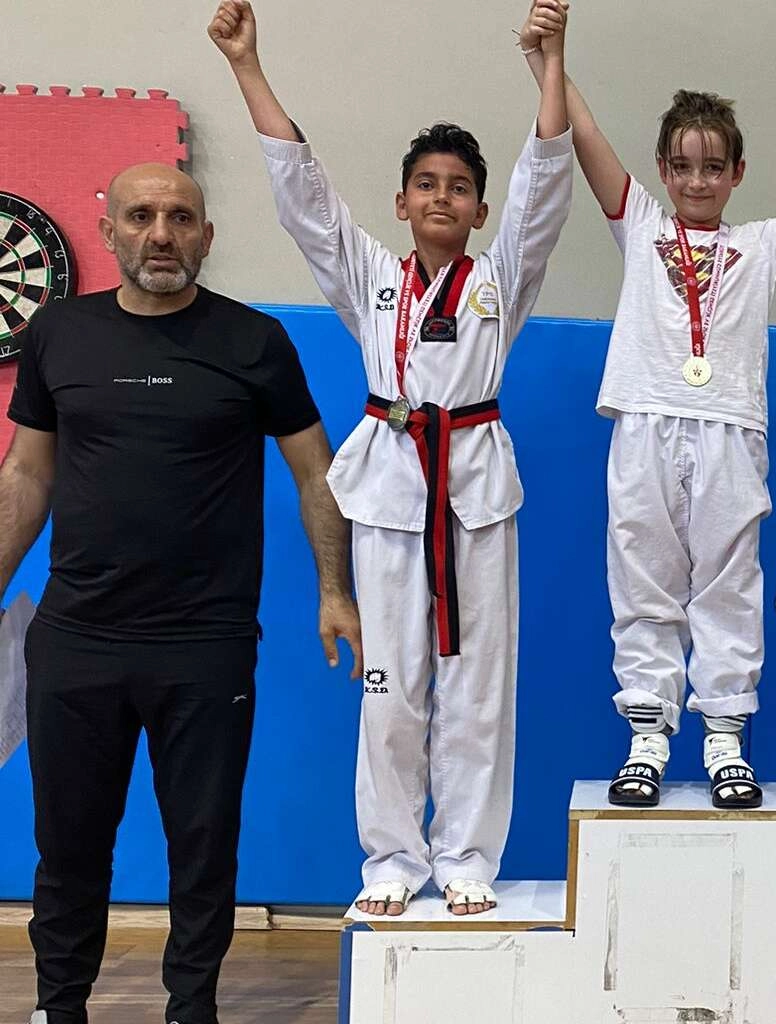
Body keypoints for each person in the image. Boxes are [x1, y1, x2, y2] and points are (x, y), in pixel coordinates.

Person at [210, 0, 574, 916]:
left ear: (480, 208)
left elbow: (543, 190)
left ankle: (467, 857)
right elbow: (304, 200)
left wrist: (552, 64)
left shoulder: (499, 279)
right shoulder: (373, 276)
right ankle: (392, 861)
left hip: (474, 490)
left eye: (460, 186)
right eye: (426, 183)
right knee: (388, 686)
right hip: (388, 491)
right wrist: (248, 66)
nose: (442, 196)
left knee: (478, 690)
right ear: (402, 201)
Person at [1, 161, 359, 1024]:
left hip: (205, 642)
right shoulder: (59, 333)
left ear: (206, 235)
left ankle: (190, 1007)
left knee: (202, 845)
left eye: (179, 217)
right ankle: (59, 1007)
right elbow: (26, 473)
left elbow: (316, 471)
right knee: (68, 844)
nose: (160, 233)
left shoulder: (253, 341)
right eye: (141, 216)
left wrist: (334, 591)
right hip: (77, 638)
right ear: (110, 231)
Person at [518, 14, 776, 809]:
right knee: (644, 581)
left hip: (731, 429)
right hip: (645, 419)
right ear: (663, 171)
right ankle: (647, 737)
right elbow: (585, 135)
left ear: (737, 172)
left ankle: (726, 737)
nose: (698, 181)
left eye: (713, 168)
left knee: (729, 586)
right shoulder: (640, 223)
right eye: (684, 167)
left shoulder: (762, 243)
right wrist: (548, 59)